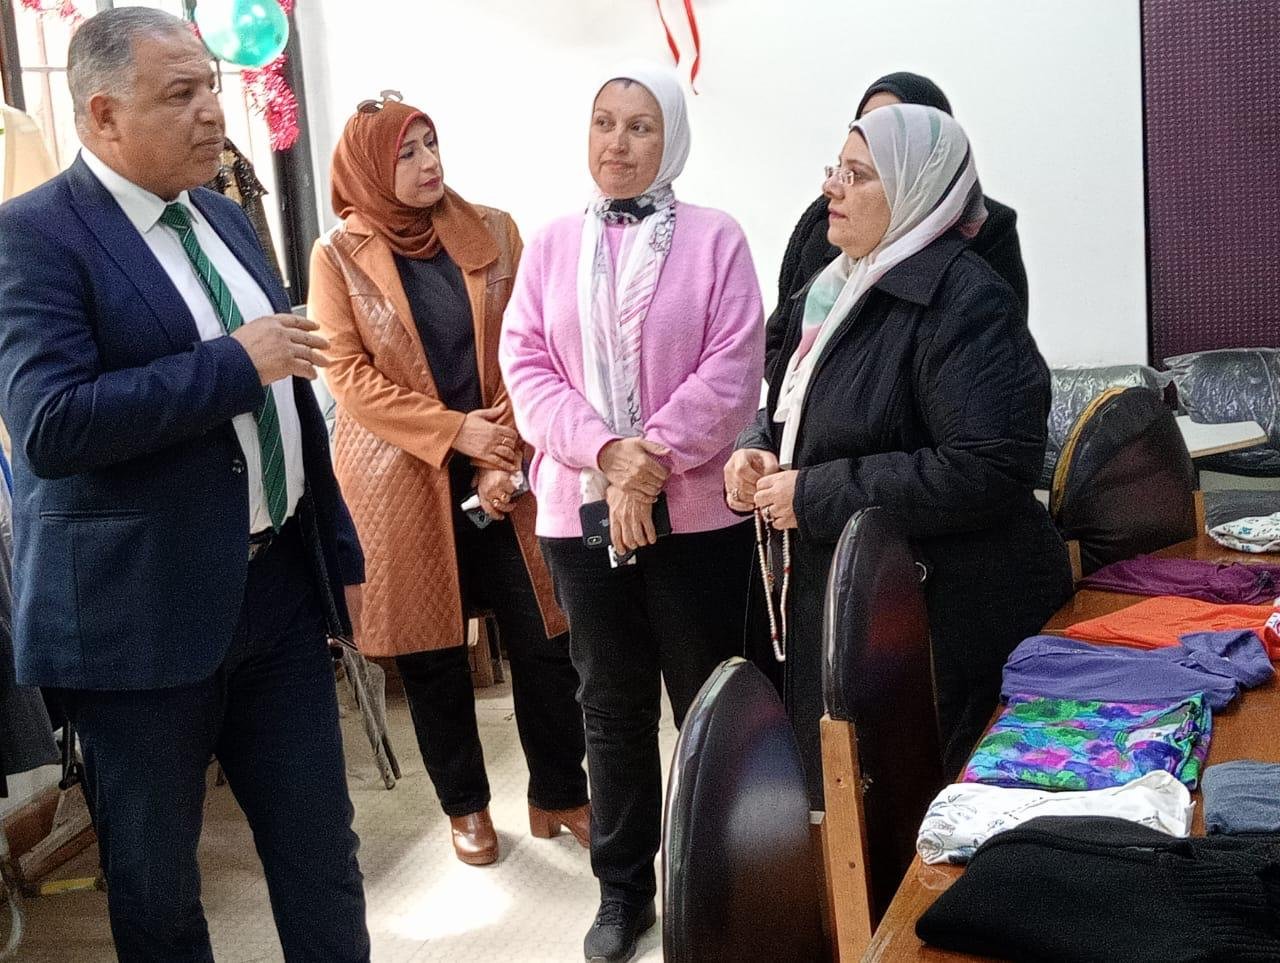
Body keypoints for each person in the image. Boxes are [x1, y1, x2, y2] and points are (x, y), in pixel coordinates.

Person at [0, 9, 369, 960]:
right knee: (158, 891)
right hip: (140, 616)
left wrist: (334, 553)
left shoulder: (221, 214)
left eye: (211, 85)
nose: (213, 111)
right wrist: (231, 364)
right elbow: (50, 424)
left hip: (278, 595)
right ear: (103, 114)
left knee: (324, 858)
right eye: (182, 93)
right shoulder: (33, 236)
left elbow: (289, 394)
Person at [726, 104, 1071, 802]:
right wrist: (757, 447)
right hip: (855, 595)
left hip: (940, 619)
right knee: (853, 803)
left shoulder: (965, 300)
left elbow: (988, 466)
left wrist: (812, 493)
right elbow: (799, 405)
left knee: (918, 818)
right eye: (836, 168)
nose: (832, 187)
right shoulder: (836, 285)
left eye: (857, 175)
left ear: (915, 191)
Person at [500, 62, 763, 963]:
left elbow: (734, 370)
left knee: (708, 704)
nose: (618, 143)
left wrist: (647, 465)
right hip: (578, 516)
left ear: (672, 138)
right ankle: (622, 890)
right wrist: (608, 455)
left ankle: (726, 875)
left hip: (696, 518)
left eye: (640, 125)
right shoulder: (548, 245)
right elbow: (526, 368)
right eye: (604, 122)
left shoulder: (718, 238)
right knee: (609, 708)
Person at [309, 93, 589, 866]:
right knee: (432, 654)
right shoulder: (337, 256)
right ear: (371, 168)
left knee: (547, 634)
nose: (429, 162)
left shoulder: (494, 229)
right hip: (402, 476)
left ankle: (560, 792)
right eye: (407, 152)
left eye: (431, 143)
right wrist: (455, 431)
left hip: (507, 460)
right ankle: (466, 806)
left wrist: (501, 446)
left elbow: (537, 341)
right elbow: (348, 377)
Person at [766, 71, 1028, 375]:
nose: (874, 131)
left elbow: (992, 355)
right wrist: (800, 389)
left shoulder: (983, 234)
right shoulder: (827, 221)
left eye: (893, 119)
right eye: (866, 121)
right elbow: (780, 336)